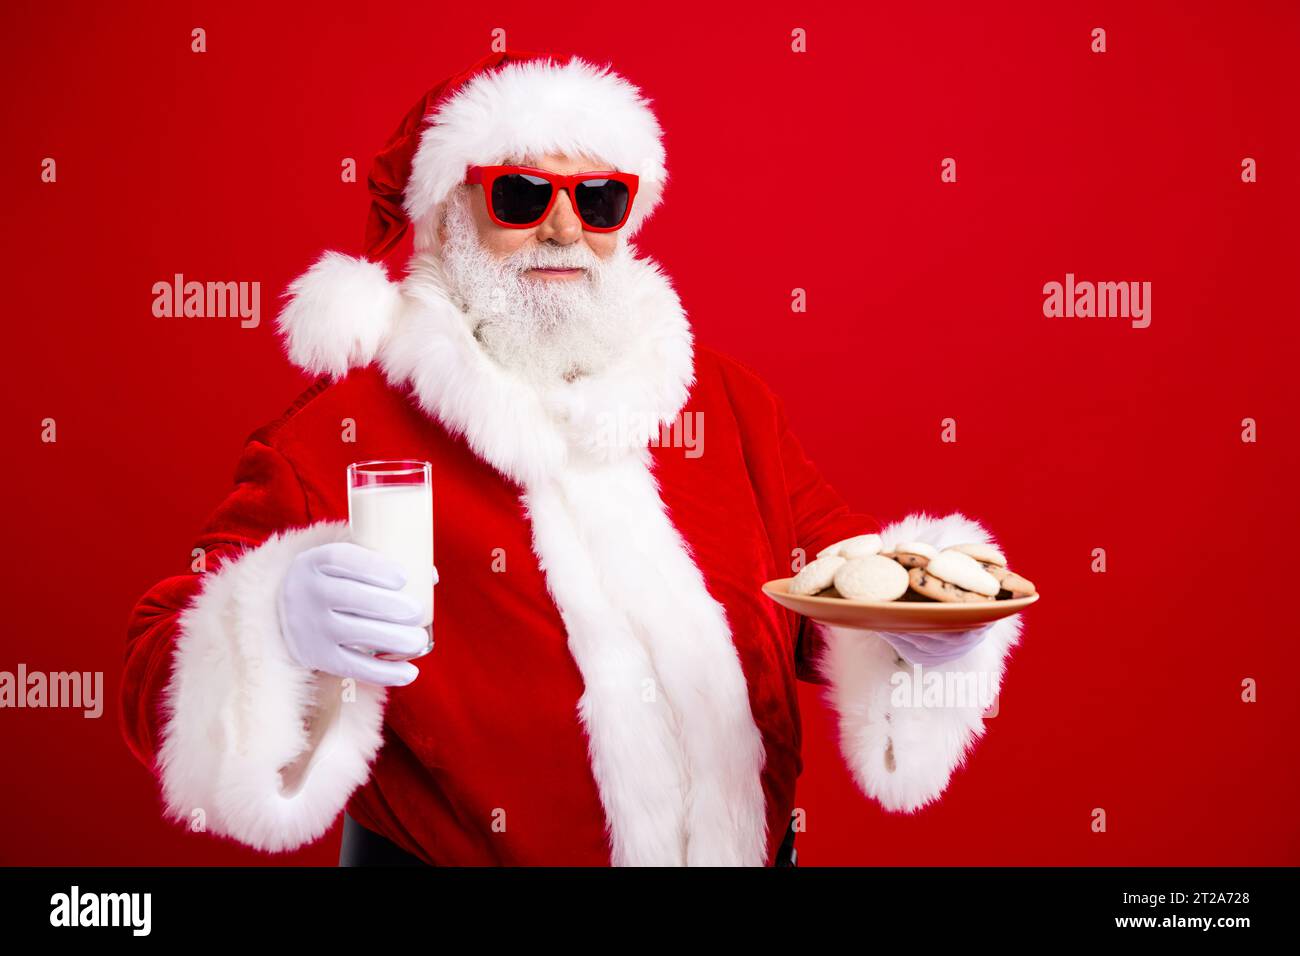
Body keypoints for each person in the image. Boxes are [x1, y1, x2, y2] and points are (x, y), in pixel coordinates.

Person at [120, 49, 1025, 867]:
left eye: (598, 200)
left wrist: (918, 633)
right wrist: (270, 623)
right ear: (446, 213)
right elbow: (154, 672)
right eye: (521, 195)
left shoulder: (725, 403)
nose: (564, 229)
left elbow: (832, 581)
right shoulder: (339, 432)